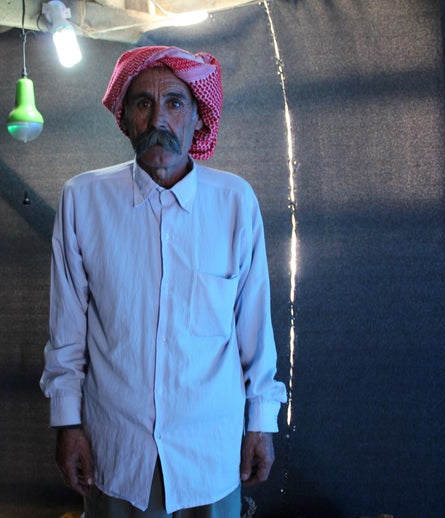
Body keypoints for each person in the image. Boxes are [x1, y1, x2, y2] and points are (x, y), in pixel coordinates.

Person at [40, 45, 287, 517]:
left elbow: (254, 329)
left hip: (210, 453)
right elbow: (67, 332)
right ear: (126, 118)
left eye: (175, 103)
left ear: (196, 117)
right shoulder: (83, 201)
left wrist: (261, 423)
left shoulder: (234, 202)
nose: (159, 119)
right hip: (117, 450)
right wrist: (67, 424)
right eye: (143, 104)